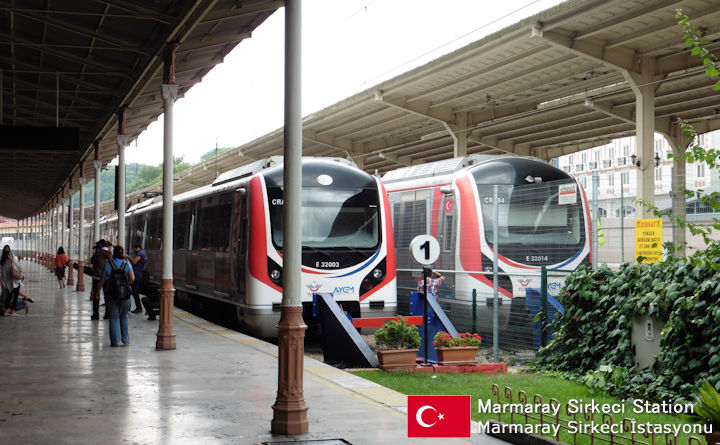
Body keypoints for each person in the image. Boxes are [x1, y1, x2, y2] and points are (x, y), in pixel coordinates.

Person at [98, 245, 135, 347]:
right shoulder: (126, 264)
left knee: (113, 318)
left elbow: (102, 279)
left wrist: (97, 291)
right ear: (122, 253)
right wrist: (125, 284)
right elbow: (132, 278)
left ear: (114, 253)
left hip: (112, 294)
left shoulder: (108, 264)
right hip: (125, 295)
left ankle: (115, 341)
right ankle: (125, 339)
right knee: (124, 316)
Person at [90, 240, 109, 321]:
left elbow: (92, 261)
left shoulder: (98, 252)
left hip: (98, 277)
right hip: (107, 277)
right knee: (107, 296)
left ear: (100, 245)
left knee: (96, 296)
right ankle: (108, 314)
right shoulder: (110, 252)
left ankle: (96, 314)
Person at [1, 245, 23, 316]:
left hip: (14, 281)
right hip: (10, 282)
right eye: (6, 250)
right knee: (10, 296)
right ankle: (8, 310)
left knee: (13, 296)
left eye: (8, 249)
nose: (8, 252)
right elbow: (2, 272)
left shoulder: (11, 258)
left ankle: (10, 310)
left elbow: (18, 267)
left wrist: (14, 260)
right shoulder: (4, 260)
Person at [125, 244, 147, 314]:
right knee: (134, 292)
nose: (134, 250)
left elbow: (134, 262)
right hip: (139, 274)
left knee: (134, 292)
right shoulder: (143, 253)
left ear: (137, 248)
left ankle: (138, 308)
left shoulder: (140, 253)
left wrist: (128, 257)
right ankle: (135, 307)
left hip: (137, 274)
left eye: (135, 249)